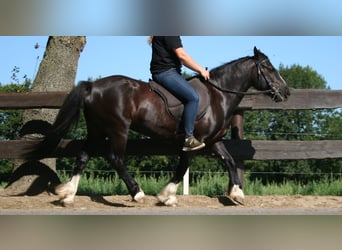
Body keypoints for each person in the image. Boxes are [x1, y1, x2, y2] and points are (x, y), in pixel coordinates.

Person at [149, 36, 210, 151]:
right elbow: (182, 55)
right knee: (193, 97)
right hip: (166, 72)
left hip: (167, 72)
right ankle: (188, 138)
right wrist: (201, 70)